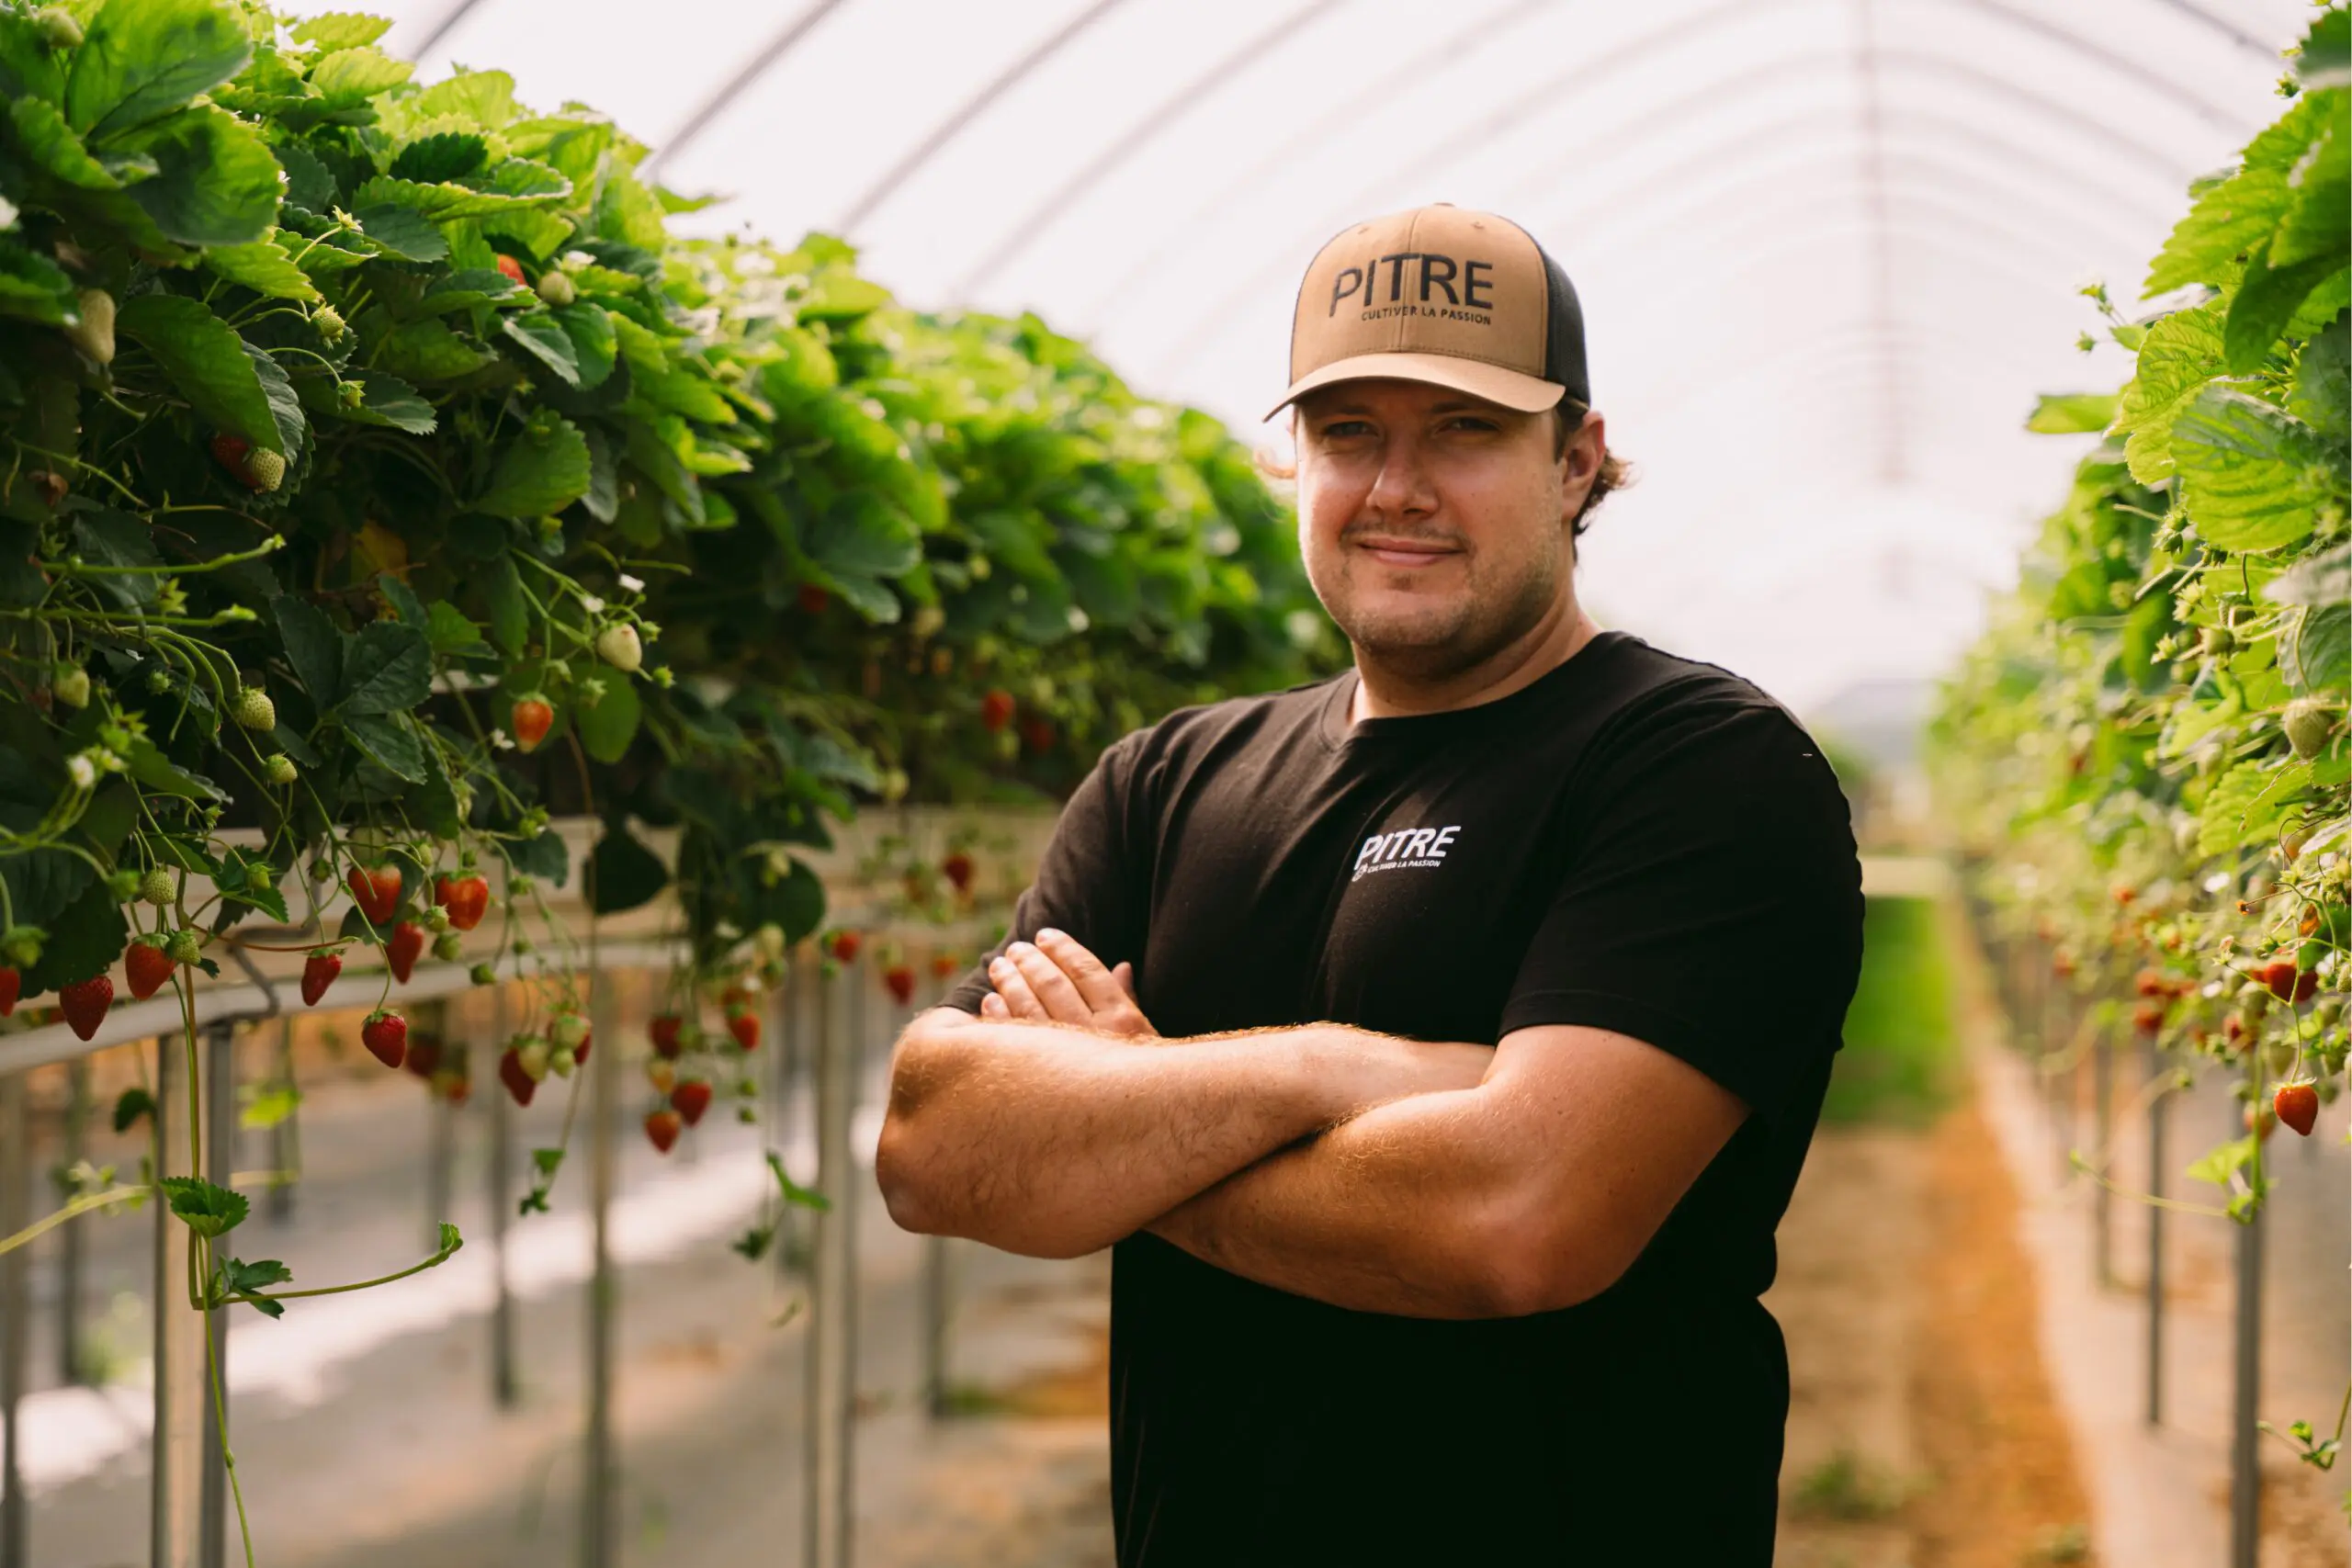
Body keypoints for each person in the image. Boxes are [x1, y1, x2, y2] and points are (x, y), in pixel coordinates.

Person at [876, 204, 1865, 1566]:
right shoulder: (1166, 780)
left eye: (1464, 429)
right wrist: (1346, 1072)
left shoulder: (1699, 770)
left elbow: (1517, 1219)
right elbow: (934, 1146)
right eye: (1350, 433)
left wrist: (1128, 1121)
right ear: (1298, 461)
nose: (1396, 486)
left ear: (1577, 460)